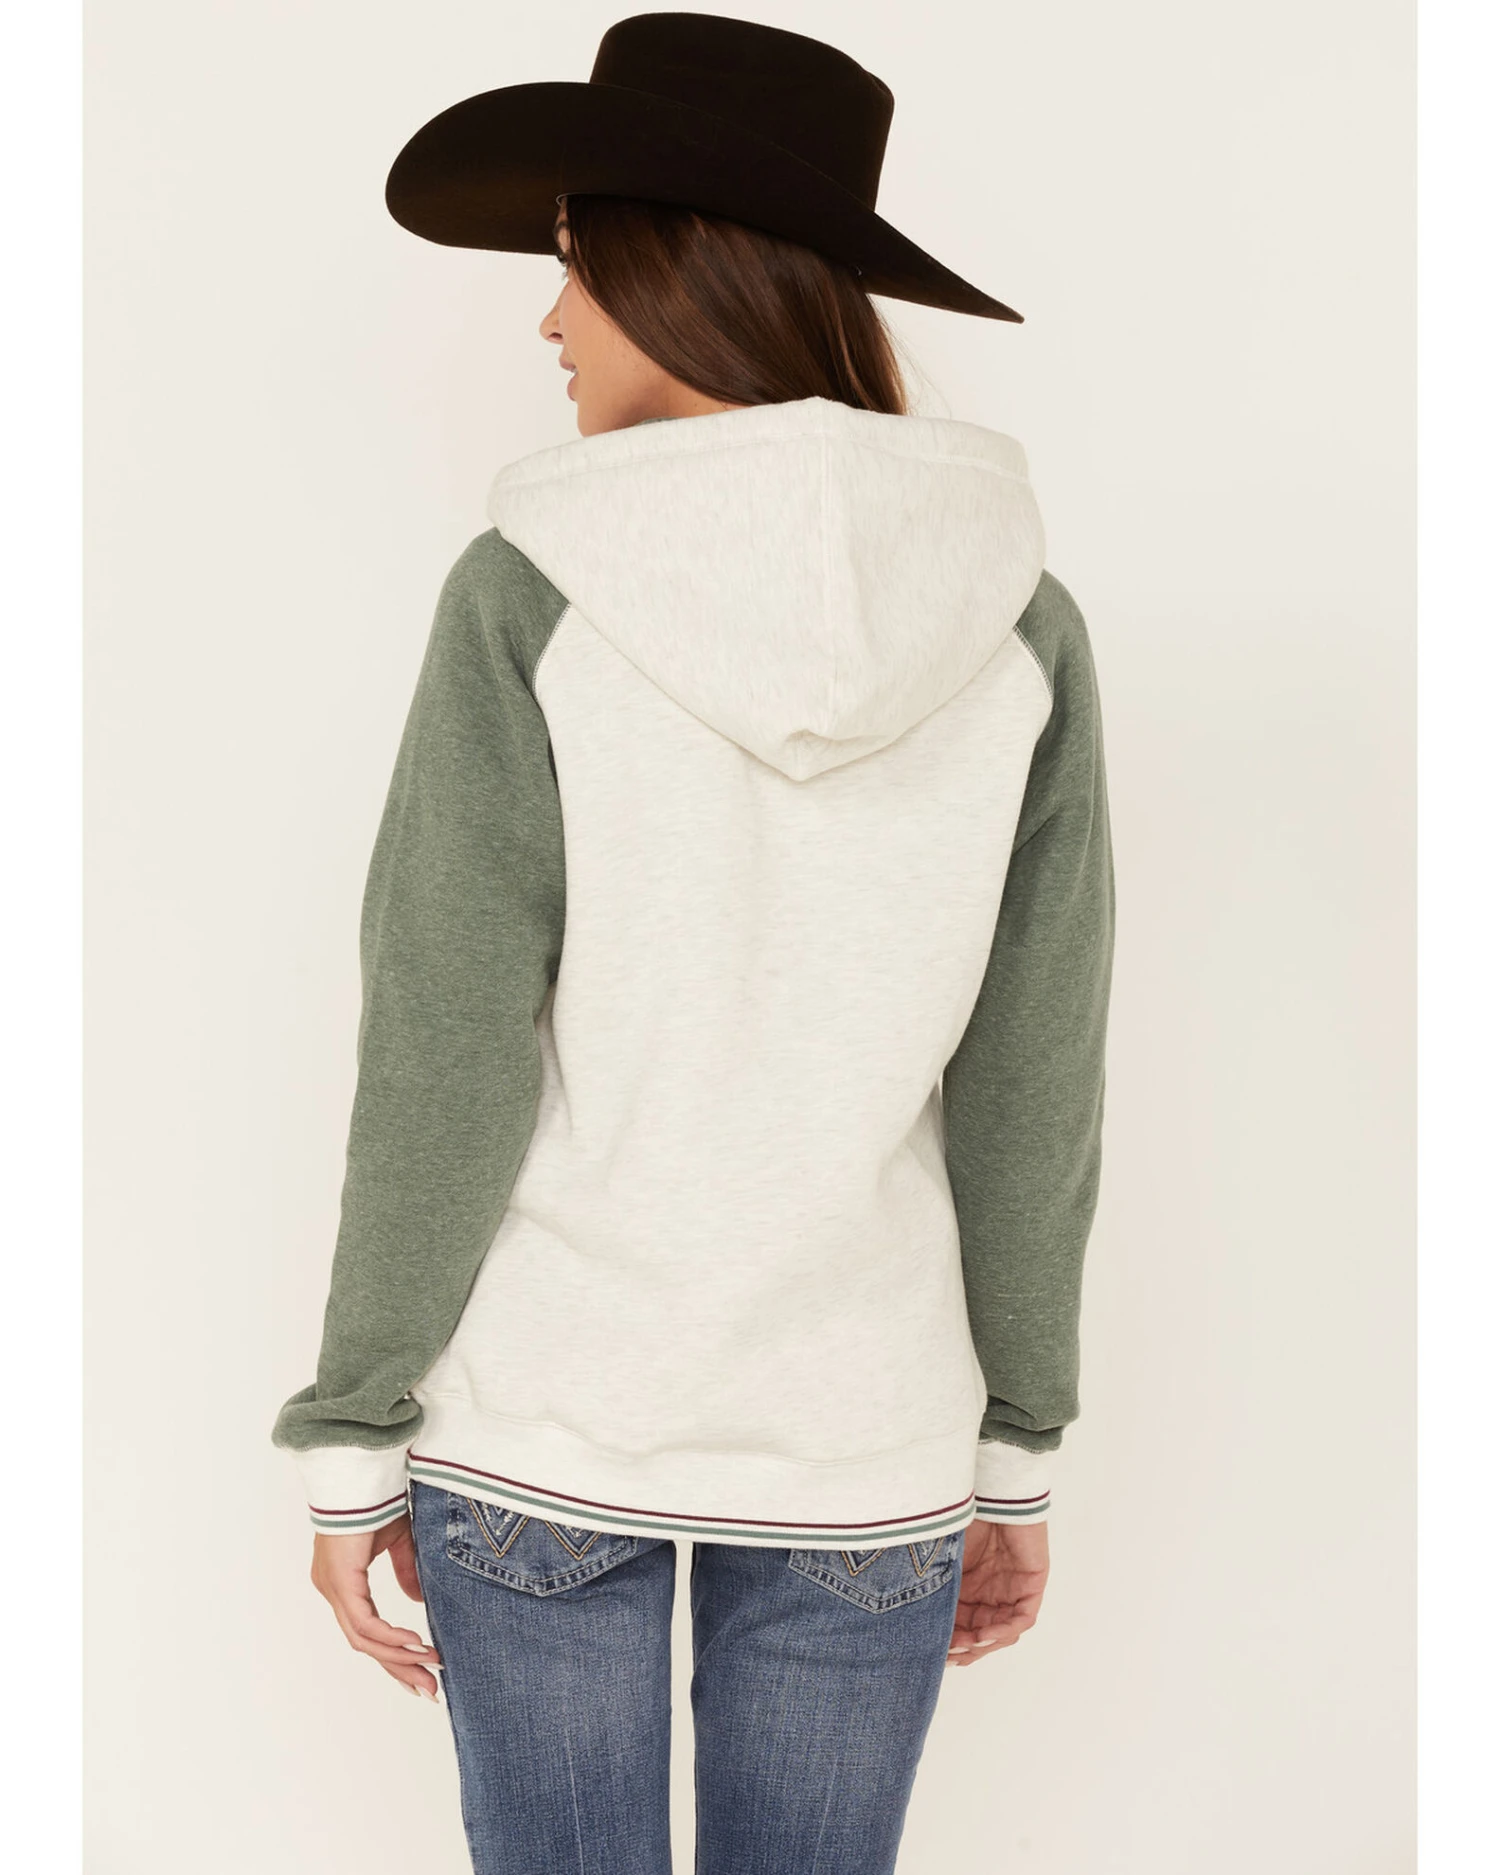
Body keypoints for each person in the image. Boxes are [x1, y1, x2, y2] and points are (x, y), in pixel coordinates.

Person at [270, 14, 1115, 1873]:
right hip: (867, 1432)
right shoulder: (1019, 618)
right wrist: (1015, 1440)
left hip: (547, 1423)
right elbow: (1034, 1077)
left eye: (572, 261)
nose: (549, 318)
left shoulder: (530, 592)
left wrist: (351, 1424)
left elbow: (444, 1040)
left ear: (672, 266)